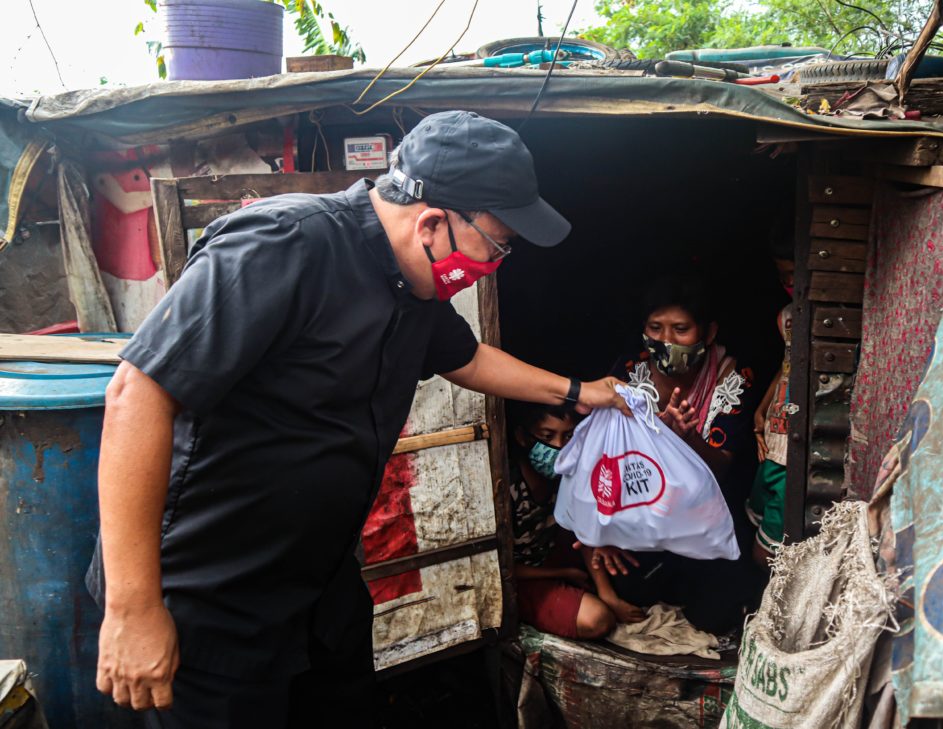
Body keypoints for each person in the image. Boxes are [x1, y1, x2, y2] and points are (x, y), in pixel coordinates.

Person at [90, 110, 628, 727]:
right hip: (209, 599)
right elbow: (138, 394)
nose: (497, 263)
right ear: (432, 222)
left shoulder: (414, 285)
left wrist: (579, 390)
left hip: (318, 591)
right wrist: (133, 610)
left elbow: (470, 358)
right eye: (498, 245)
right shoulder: (282, 245)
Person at [583, 274, 765, 635]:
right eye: (655, 327)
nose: (665, 341)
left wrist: (685, 440)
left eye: (680, 329)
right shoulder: (628, 372)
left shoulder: (734, 379)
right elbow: (601, 454)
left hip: (708, 516)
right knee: (631, 589)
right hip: (643, 511)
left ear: (708, 333)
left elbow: (722, 469)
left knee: (715, 616)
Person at [508, 401, 619, 639]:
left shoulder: (568, 476)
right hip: (522, 577)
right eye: (547, 436)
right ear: (522, 437)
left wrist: (608, 594)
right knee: (597, 620)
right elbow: (498, 567)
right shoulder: (507, 488)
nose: (559, 446)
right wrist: (564, 572)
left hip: (554, 554)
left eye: (568, 436)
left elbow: (582, 530)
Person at [748, 247, 795, 570]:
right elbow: (787, 365)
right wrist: (760, 411)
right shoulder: (786, 317)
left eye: (794, 273)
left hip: (793, 452)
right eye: (782, 275)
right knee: (756, 517)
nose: (788, 282)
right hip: (773, 440)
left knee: (765, 555)